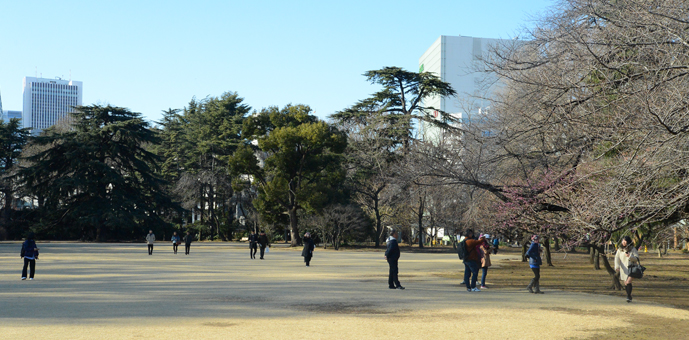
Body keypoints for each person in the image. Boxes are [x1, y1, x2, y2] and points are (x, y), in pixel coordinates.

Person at [615, 236, 639, 302]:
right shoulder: (620, 250)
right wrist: (617, 266)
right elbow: (617, 258)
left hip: (632, 268)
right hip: (624, 269)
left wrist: (630, 256)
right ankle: (629, 295)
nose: (623, 242)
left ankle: (628, 296)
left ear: (628, 241)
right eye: (622, 241)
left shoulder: (633, 249)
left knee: (628, 281)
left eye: (625, 241)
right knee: (626, 283)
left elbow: (637, 258)